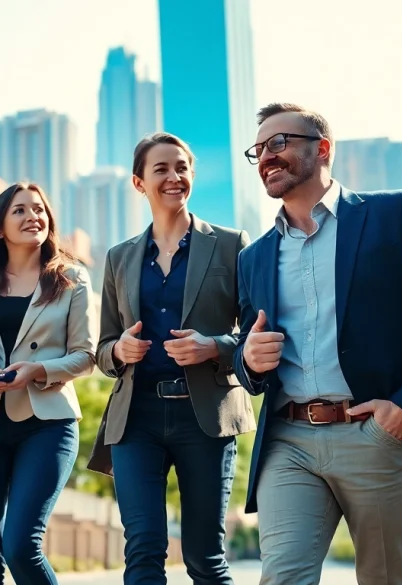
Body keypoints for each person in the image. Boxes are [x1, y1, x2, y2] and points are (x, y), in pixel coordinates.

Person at [233, 103, 402, 585]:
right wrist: (246, 358)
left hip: (373, 433)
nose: (266, 156)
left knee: (387, 579)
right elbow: (249, 352)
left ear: (322, 148)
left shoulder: (392, 214)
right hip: (289, 441)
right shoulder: (254, 257)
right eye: (259, 149)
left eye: (279, 143)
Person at [87, 132, 255, 585]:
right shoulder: (119, 258)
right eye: (160, 169)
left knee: (204, 557)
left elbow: (258, 336)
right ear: (139, 183)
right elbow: (101, 347)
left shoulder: (230, 244)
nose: (173, 177)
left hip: (206, 417)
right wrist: (118, 351)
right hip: (135, 418)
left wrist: (213, 346)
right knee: (142, 552)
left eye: (181, 167)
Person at [0, 182, 97, 585]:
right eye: (20, 210)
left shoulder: (71, 279)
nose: (33, 217)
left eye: (39, 209)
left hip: (47, 424)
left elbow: (86, 355)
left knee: (21, 545)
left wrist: (38, 371)